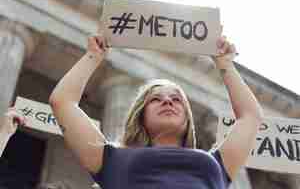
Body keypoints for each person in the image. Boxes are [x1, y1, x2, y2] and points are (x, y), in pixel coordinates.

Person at [49, 29, 263, 189]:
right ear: (140, 115)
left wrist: (225, 64)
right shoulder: (112, 159)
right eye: (156, 99)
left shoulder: (217, 163)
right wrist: (93, 56)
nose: (168, 102)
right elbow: (63, 101)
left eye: (177, 99)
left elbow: (251, 117)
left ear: (188, 119)